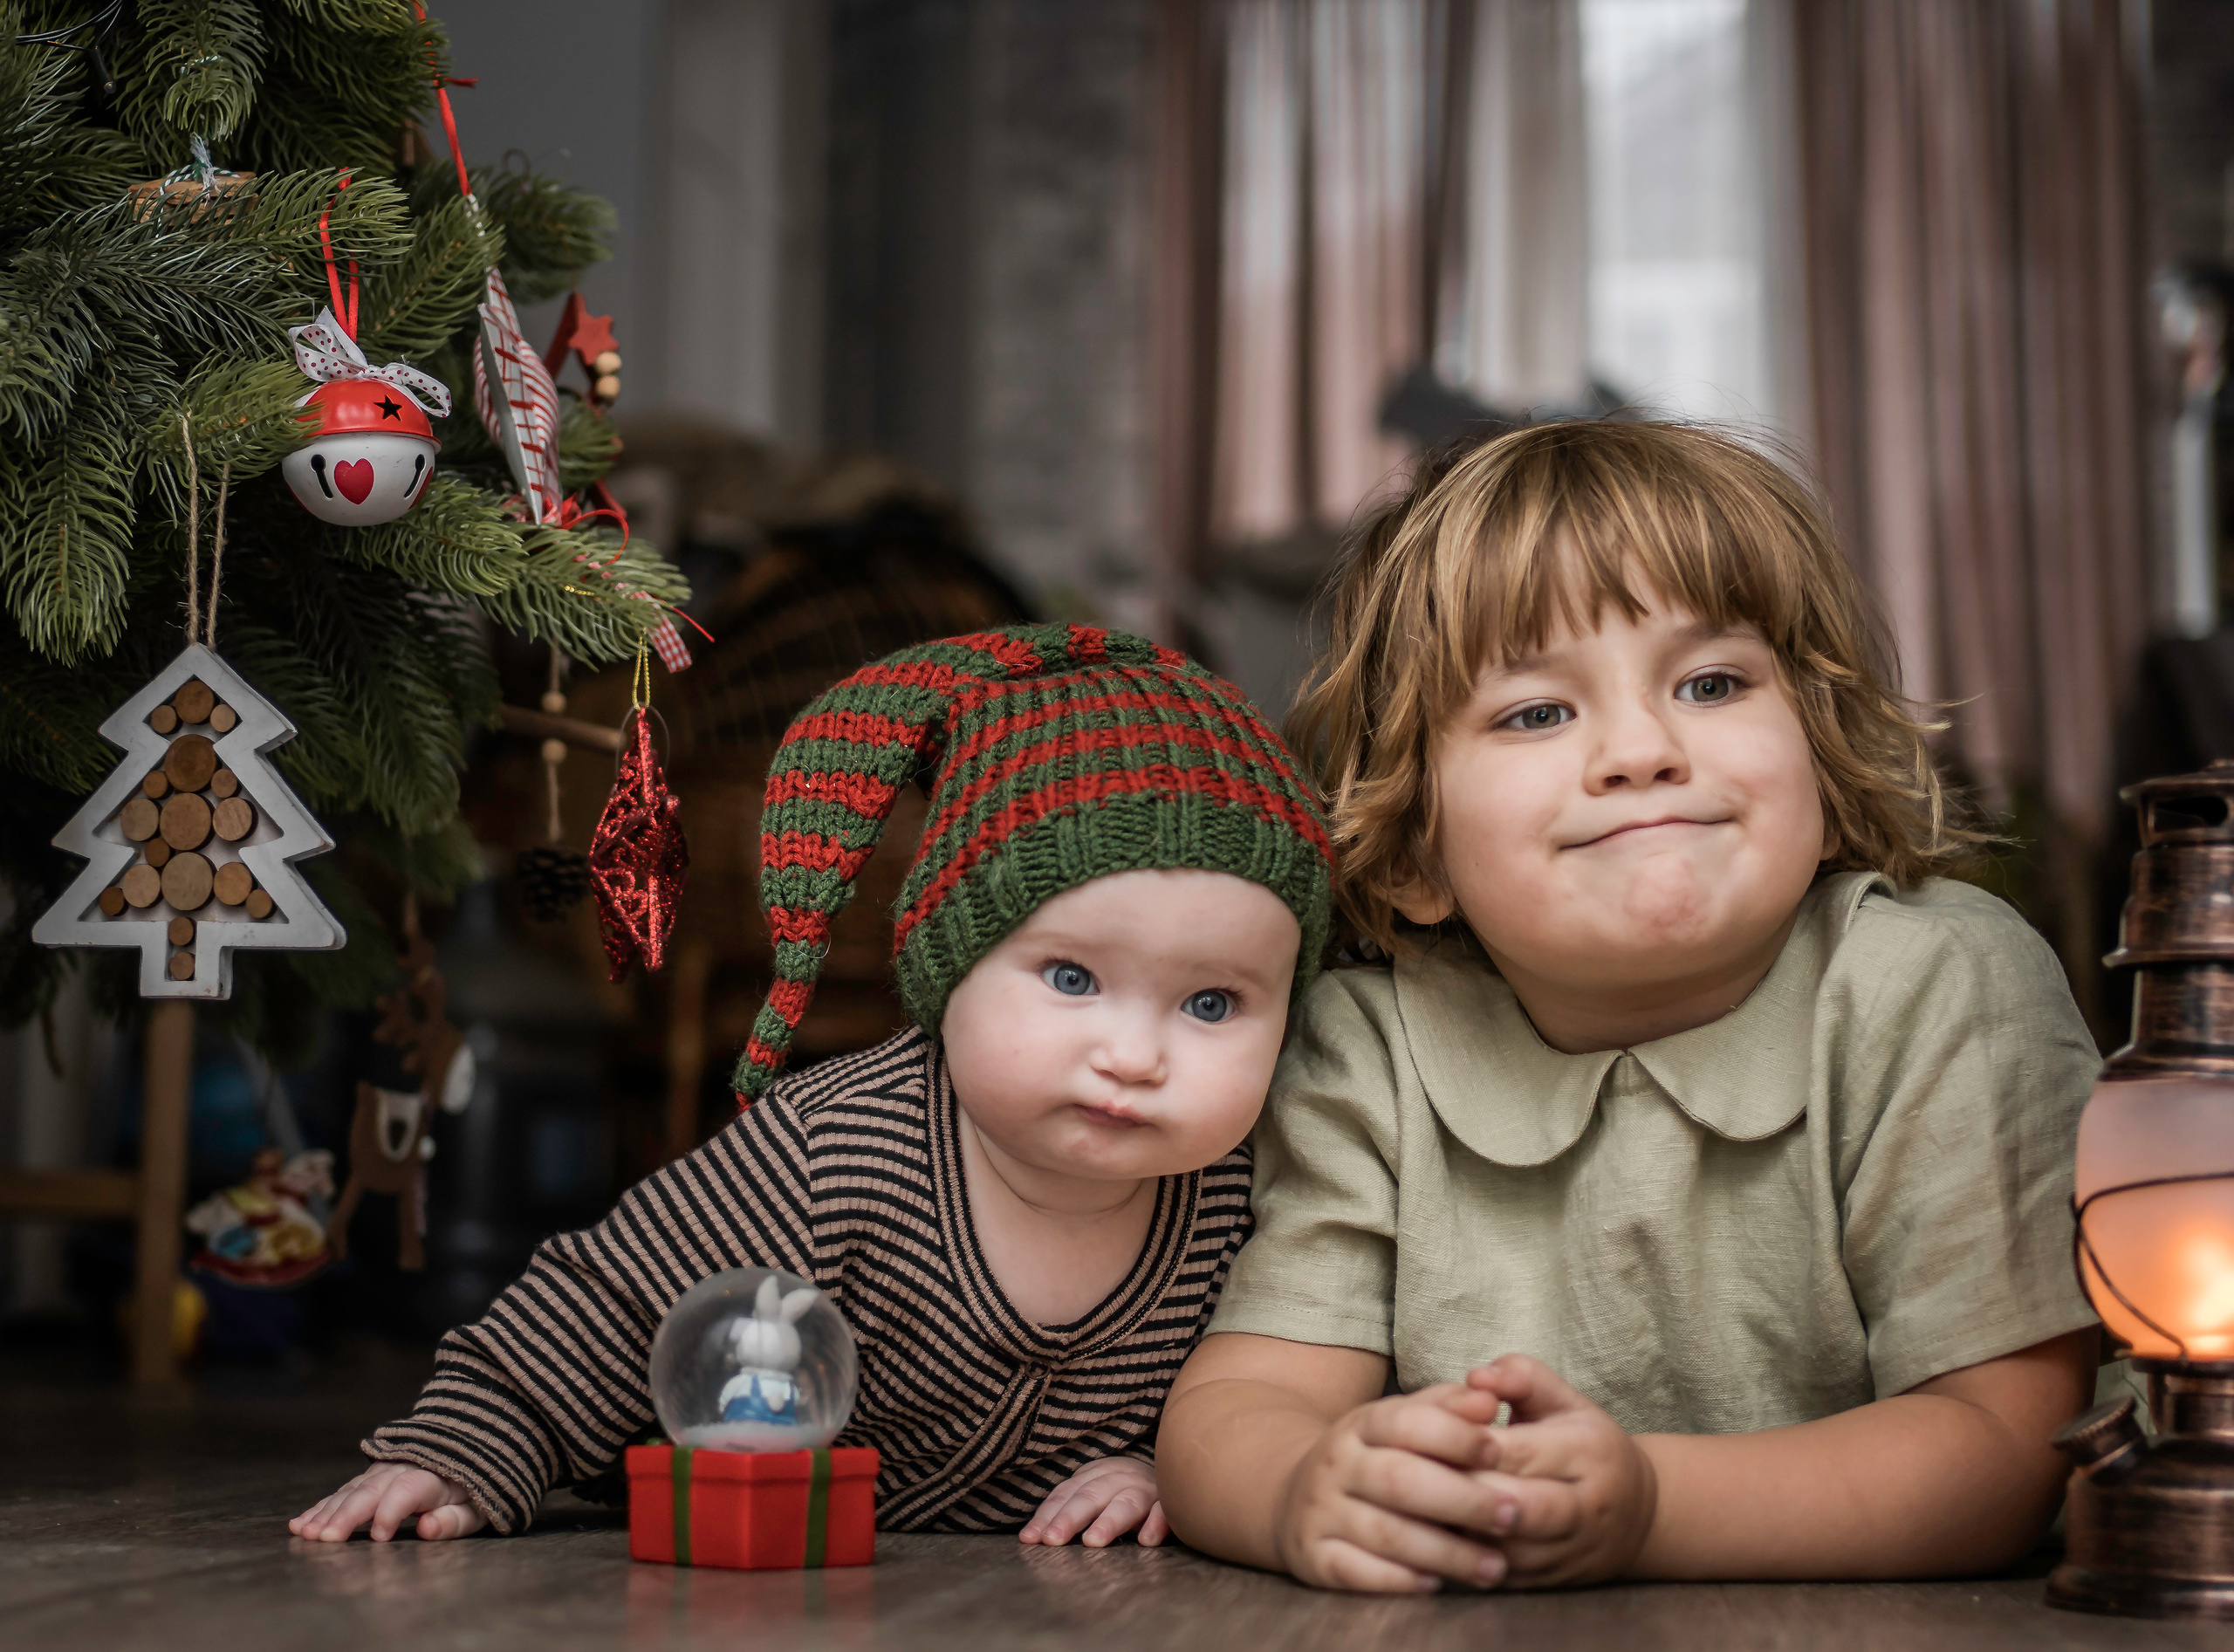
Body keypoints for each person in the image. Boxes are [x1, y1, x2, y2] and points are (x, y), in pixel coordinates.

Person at [1155, 421, 2102, 1591]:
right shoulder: (1371, 1045)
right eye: (1537, 713)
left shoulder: (1942, 986)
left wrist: (1650, 1510)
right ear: (1411, 854)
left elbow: (2014, 1446)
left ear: (1821, 741)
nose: (1644, 749)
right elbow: (1244, 1400)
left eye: (1711, 683)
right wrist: (1305, 1491)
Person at [292, 624, 1331, 1549]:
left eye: (1210, 1005)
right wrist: (466, 1453)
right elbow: (608, 1301)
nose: (1134, 1054)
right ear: (945, 964)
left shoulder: (1236, 1199)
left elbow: (1276, 1386)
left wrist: (1178, 1472)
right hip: (737, 1560)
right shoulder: (837, 1147)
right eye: (1071, 979)